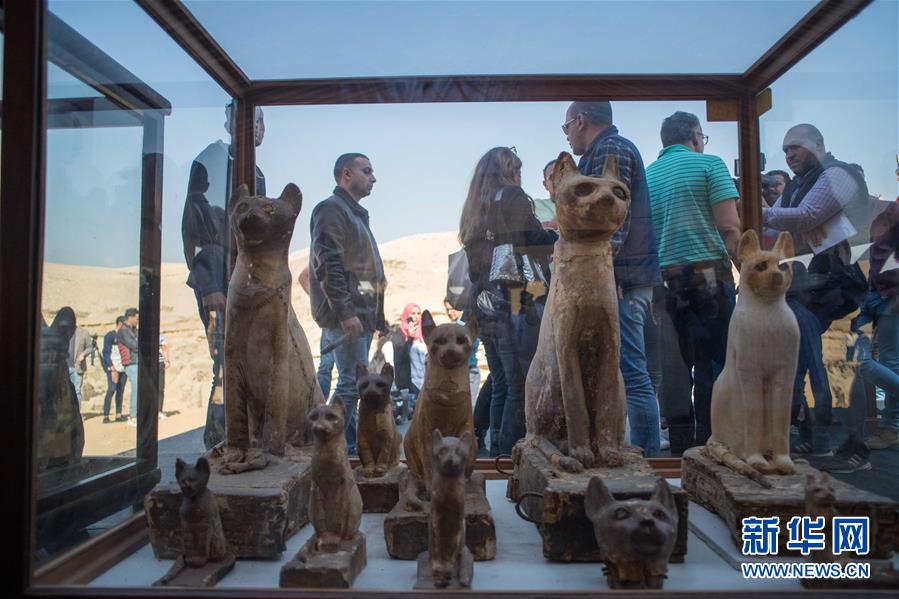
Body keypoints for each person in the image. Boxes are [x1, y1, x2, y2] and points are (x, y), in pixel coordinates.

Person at [762, 124, 870, 457]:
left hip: (838, 290)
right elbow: (774, 221)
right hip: (813, 290)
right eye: (785, 151)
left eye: (795, 147)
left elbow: (806, 216)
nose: (789, 155)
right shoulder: (799, 183)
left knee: (833, 369)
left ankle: (850, 448)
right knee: (807, 365)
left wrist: (755, 210)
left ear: (819, 145)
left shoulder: (838, 175)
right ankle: (818, 439)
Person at [563, 101, 663, 456]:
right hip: (620, 276)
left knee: (631, 372)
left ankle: (648, 459)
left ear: (580, 121)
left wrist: (601, 271)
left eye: (566, 129)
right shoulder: (609, 148)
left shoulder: (610, 149)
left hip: (618, 278)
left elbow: (610, 223)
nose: (568, 137)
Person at [646, 111, 742, 454]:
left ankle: (681, 449)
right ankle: (713, 444)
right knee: (714, 364)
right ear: (696, 137)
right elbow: (729, 227)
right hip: (708, 278)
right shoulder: (711, 165)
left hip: (664, 282)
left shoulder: (647, 176)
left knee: (674, 370)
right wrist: (747, 272)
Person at [460, 146, 558, 456]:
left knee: (501, 381)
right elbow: (529, 238)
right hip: (517, 300)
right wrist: (557, 237)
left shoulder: (476, 207)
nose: (519, 176)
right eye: (517, 170)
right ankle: (510, 456)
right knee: (520, 385)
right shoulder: (513, 198)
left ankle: (493, 455)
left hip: (485, 303)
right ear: (510, 171)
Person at [182, 101, 266, 449]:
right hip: (220, 283)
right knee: (226, 362)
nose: (257, 128)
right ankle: (219, 441)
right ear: (230, 121)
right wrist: (211, 284)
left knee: (248, 362)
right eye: (250, 120)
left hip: (245, 284)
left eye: (261, 122)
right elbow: (196, 225)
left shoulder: (255, 173)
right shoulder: (211, 161)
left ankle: (243, 438)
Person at [309, 153, 387, 455]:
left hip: (360, 316)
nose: (373, 177)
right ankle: (328, 447)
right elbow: (327, 264)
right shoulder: (332, 210)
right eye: (366, 171)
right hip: (349, 317)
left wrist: (378, 317)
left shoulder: (353, 213)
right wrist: (346, 313)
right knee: (349, 388)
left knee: (351, 385)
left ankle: (348, 447)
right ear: (346, 175)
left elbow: (368, 273)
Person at [299, 265, 336, 397]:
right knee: (328, 367)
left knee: (327, 367)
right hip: (333, 319)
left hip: (335, 317)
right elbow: (303, 276)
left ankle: (321, 405)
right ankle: (321, 404)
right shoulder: (327, 251)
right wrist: (316, 298)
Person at [444, 298, 481, 401]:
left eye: (453, 309)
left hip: (469, 371)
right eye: (447, 310)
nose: (450, 312)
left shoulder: (466, 324)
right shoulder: (450, 328)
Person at [101, 316, 128, 423]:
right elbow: (106, 353)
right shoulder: (110, 336)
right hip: (113, 368)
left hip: (123, 368)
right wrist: (112, 369)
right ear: (120, 324)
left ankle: (118, 415)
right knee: (111, 390)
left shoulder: (126, 337)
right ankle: (106, 416)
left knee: (120, 391)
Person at [117, 307, 140, 427]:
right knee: (136, 389)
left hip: (137, 362)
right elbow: (134, 345)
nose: (137, 321)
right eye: (136, 319)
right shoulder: (123, 331)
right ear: (130, 317)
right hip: (131, 363)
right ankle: (132, 416)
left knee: (140, 389)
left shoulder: (133, 330)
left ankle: (136, 414)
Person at [66, 320, 93, 405]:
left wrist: (83, 354)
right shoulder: (63, 332)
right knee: (66, 392)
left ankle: (77, 414)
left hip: (77, 367)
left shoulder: (83, 332)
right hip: (64, 367)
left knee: (76, 391)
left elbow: (90, 347)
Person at [533, 160, 558, 228]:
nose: (559, 179)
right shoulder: (539, 204)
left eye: (564, 174)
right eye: (553, 176)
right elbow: (546, 228)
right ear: (545, 185)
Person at [158, 335, 170, 420]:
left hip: (159, 363)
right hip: (148, 365)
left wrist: (167, 360)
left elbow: (164, 348)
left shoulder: (159, 336)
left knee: (160, 388)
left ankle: (159, 411)